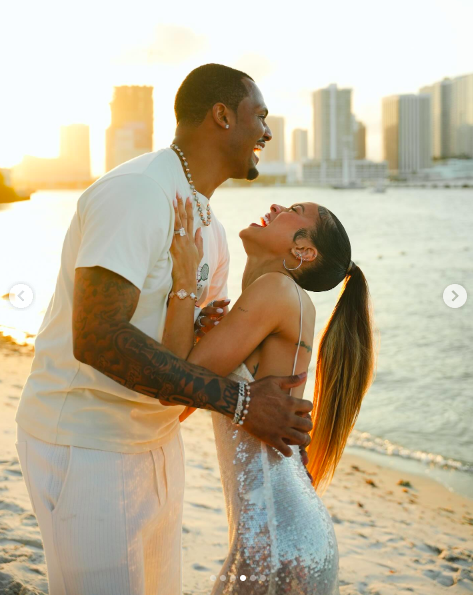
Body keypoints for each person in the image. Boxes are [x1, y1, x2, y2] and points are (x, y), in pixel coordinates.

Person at [14, 64, 314, 595]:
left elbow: (183, 360)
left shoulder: (214, 232)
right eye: (260, 116)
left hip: (157, 443)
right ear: (221, 116)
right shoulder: (138, 192)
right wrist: (242, 403)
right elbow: (97, 336)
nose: (268, 132)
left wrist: (207, 328)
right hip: (88, 446)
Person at [164, 197, 375, 594]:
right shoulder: (276, 300)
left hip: (276, 540)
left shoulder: (276, 290)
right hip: (286, 532)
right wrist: (197, 330)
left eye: (295, 209)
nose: (277, 205)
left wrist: (184, 278)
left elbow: (173, 390)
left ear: (303, 251)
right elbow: (182, 397)